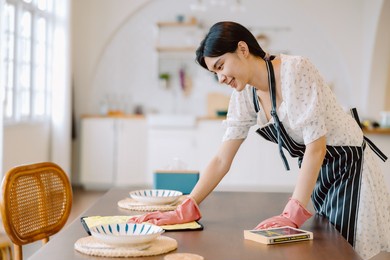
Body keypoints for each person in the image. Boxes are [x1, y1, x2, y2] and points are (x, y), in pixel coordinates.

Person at [129, 21, 390, 259]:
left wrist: (292, 212)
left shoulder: (295, 70)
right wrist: (187, 206)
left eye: (220, 66)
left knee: (339, 250)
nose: (220, 78)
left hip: (350, 167)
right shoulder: (245, 94)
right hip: (322, 171)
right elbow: (222, 158)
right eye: (214, 73)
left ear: (242, 49)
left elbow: (315, 148)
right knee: (325, 246)